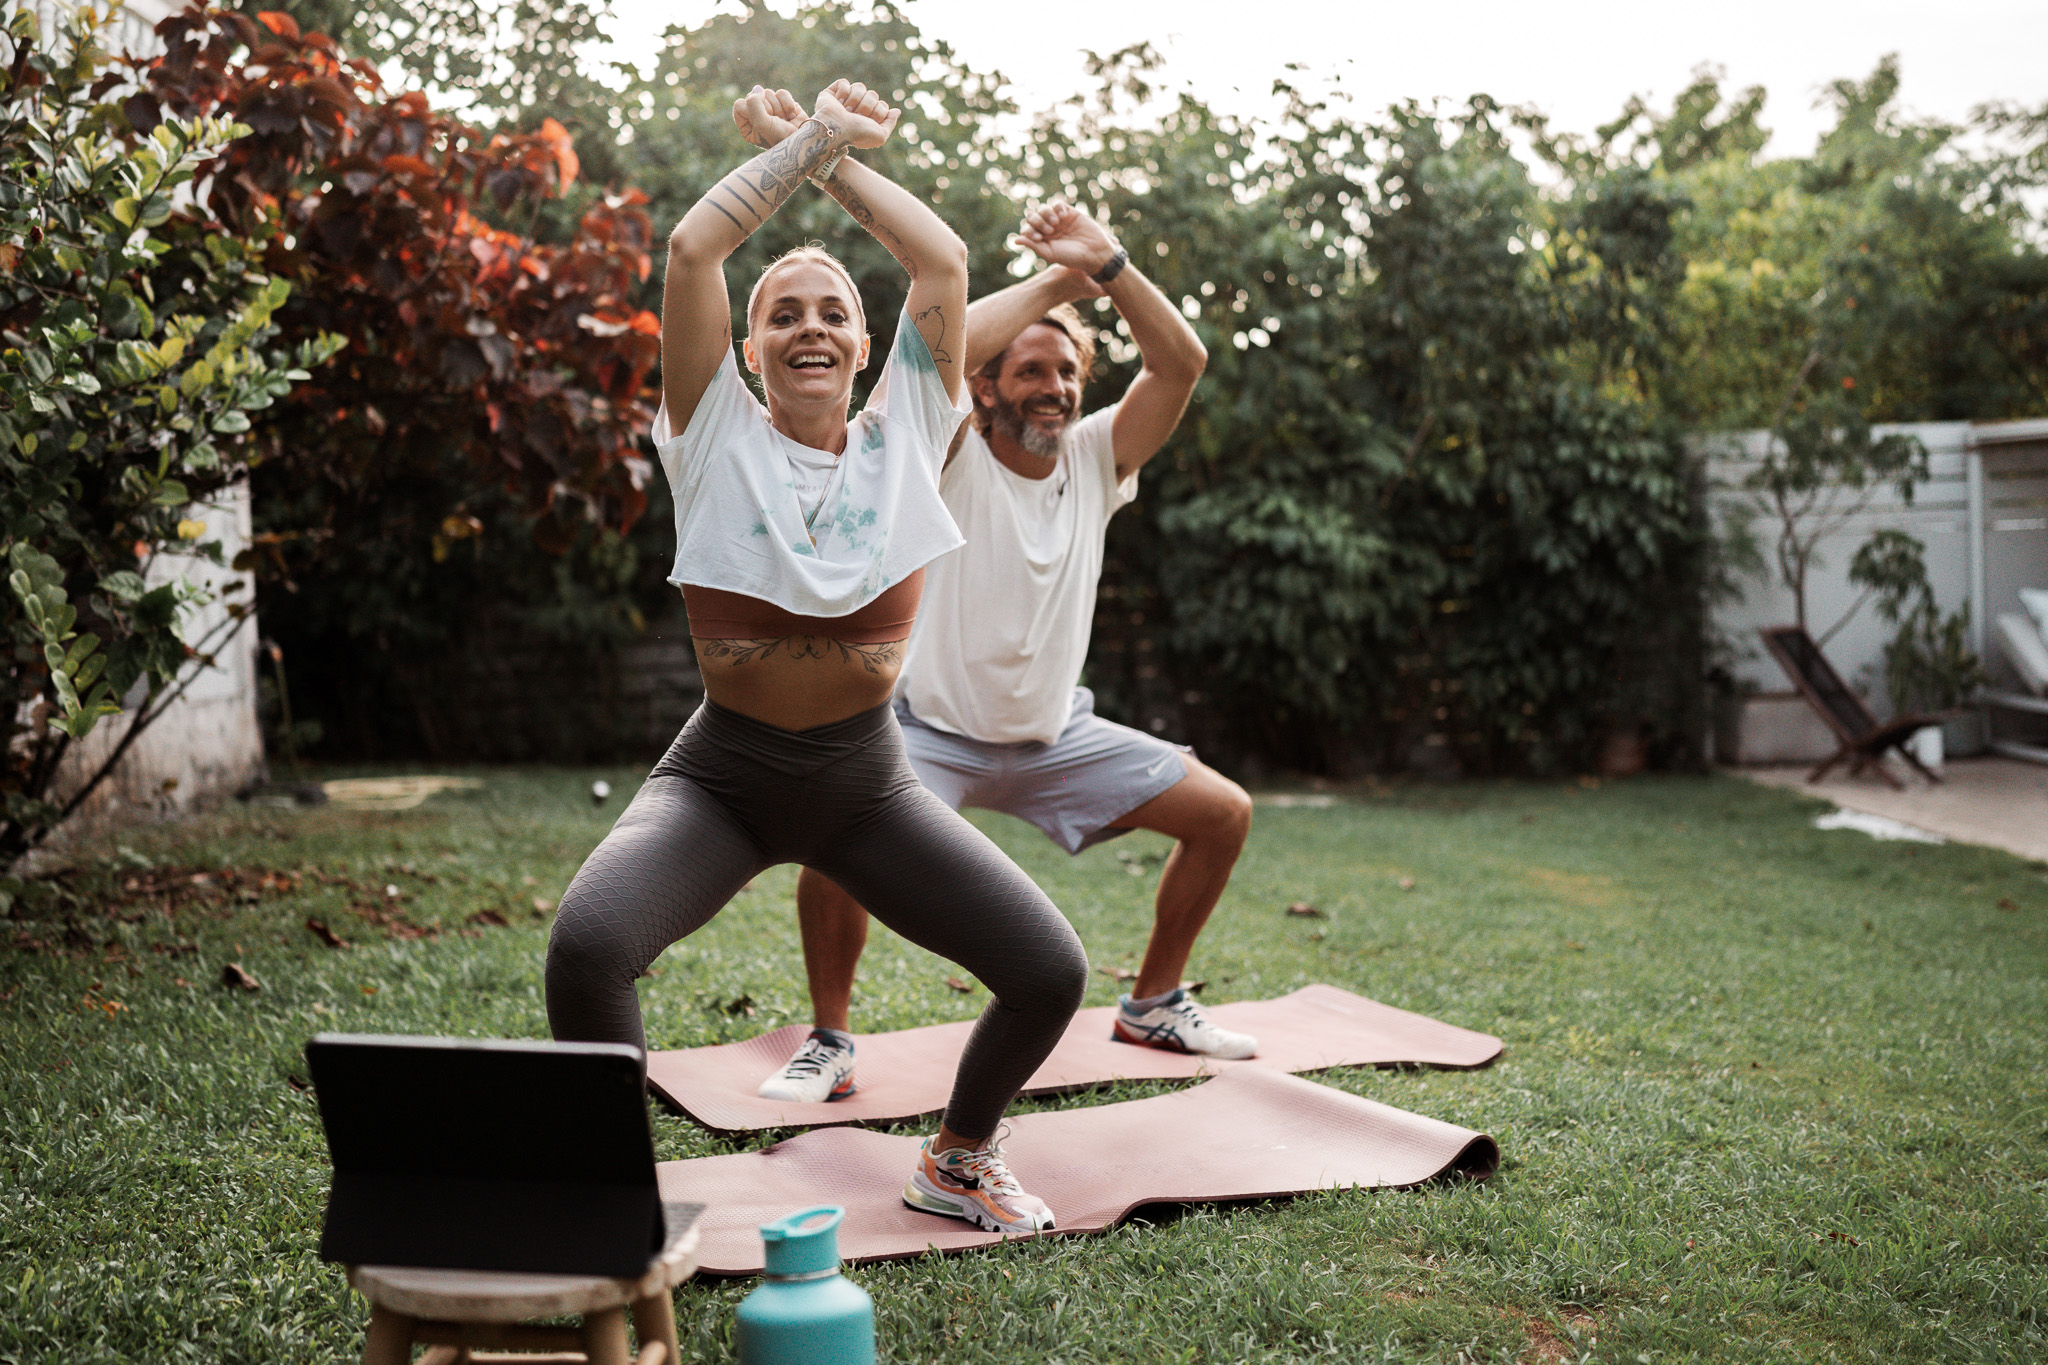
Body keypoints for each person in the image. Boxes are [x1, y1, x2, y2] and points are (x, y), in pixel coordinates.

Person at [544, 80, 1087, 1236]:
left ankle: (957, 1160)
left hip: (863, 786)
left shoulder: (912, 423)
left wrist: (833, 160)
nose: (810, 328)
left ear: (863, 343)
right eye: (783, 312)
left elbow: (938, 263)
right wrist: (809, 140)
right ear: (746, 346)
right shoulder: (710, 430)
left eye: (833, 310)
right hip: (722, 780)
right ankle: (605, 1196)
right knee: (589, 947)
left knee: (1048, 971)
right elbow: (695, 246)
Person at [757, 193, 1257, 1107]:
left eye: (1067, 371)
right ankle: (829, 1039)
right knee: (834, 831)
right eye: (1031, 370)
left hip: (1053, 737)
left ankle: (1152, 1002)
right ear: (987, 387)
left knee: (1223, 813)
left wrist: (1108, 268)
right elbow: (928, 355)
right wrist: (1054, 281)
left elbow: (1181, 364)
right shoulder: (947, 452)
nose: (1055, 387)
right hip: (930, 733)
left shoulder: (1097, 457)